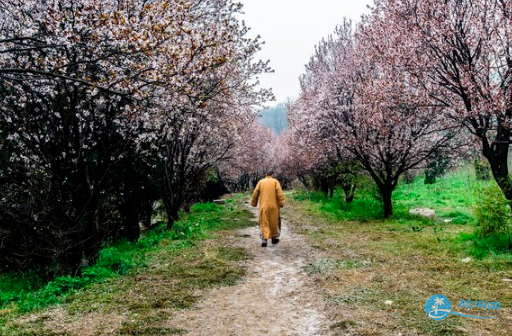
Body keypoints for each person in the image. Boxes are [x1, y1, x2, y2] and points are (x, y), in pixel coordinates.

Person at [250, 171, 286, 247]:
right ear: (272, 174)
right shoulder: (275, 181)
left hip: (264, 206)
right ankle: (274, 237)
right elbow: (279, 193)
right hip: (274, 206)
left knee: (264, 222)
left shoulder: (261, 182)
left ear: (265, 174)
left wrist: (254, 203)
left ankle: (264, 239)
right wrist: (281, 203)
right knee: (274, 222)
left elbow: (255, 193)